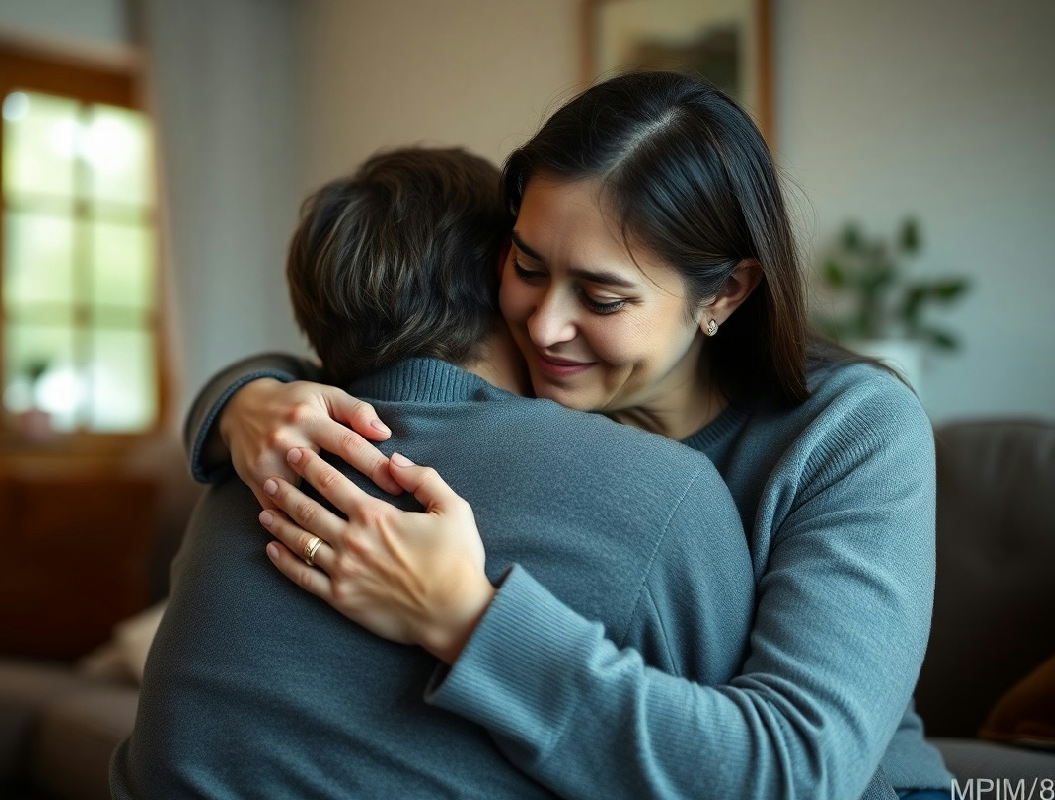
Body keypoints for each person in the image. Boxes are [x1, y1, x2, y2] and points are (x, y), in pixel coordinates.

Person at [189, 72, 952, 799]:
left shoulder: (853, 432)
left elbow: (799, 773)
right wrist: (243, 399)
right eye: (527, 265)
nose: (544, 325)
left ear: (725, 290)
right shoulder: (539, 388)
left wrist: (465, 619)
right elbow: (378, 362)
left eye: (601, 296)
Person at [111, 147, 762, 799]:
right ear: (496, 275)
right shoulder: (667, 492)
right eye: (531, 267)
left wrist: (238, 397)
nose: (552, 319)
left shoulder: (246, 472)